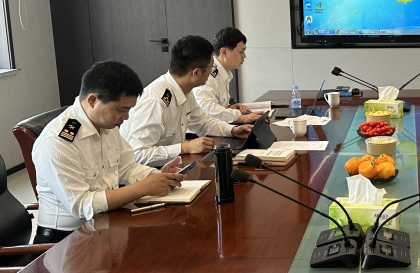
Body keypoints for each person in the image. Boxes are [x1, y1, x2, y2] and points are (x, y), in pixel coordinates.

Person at [31, 60, 186, 244]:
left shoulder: (107, 124)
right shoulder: (59, 141)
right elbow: (81, 205)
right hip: (66, 240)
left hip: (107, 223)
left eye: (129, 109)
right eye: (121, 109)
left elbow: (126, 167)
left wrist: (156, 176)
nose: (126, 117)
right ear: (93, 100)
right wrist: (144, 187)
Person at [121, 35, 253, 167]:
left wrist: (233, 130)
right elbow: (138, 154)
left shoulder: (185, 90)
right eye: (210, 67)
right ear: (196, 73)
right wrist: (185, 147)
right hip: (146, 171)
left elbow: (203, 123)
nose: (211, 72)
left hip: (170, 166)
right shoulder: (155, 101)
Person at [194, 27, 263, 124]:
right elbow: (207, 108)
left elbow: (218, 104)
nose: (244, 56)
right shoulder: (208, 74)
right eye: (241, 52)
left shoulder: (224, 73)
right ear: (224, 52)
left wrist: (229, 107)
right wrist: (240, 117)